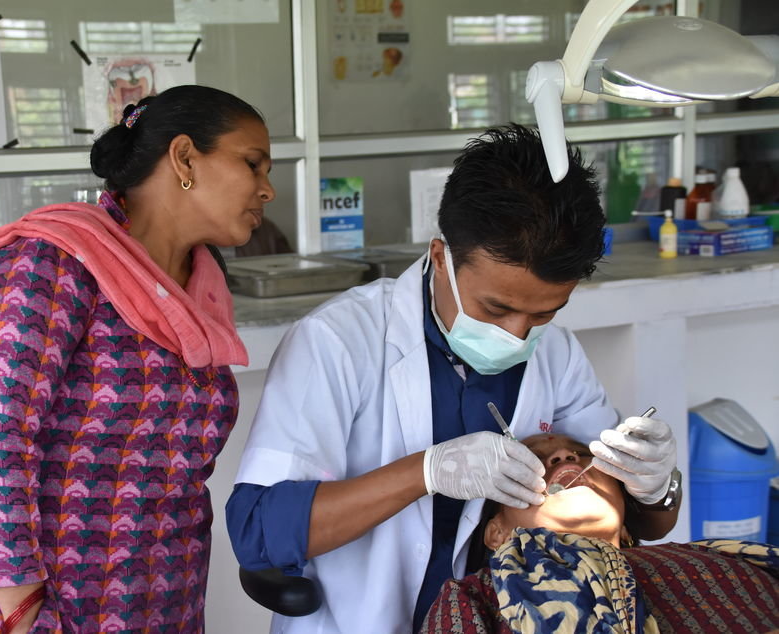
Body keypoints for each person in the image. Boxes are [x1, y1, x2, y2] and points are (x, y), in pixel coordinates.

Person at [225, 124, 680, 633]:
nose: (517, 335)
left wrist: (656, 484)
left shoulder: (556, 353)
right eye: (496, 308)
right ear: (441, 257)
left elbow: (636, 522)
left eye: (544, 314)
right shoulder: (336, 342)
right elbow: (258, 530)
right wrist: (425, 472)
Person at [0, 84, 275, 633]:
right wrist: (22, 611)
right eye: (252, 164)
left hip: (159, 600)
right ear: (183, 157)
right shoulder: (47, 263)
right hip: (39, 606)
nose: (267, 190)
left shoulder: (199, 284)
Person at [421, 433, 779, 633]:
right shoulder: (473, 599)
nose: (564, 456)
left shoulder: (723, 557)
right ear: (496, 534)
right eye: (529, 461)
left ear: (625, 526)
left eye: (580, 453)